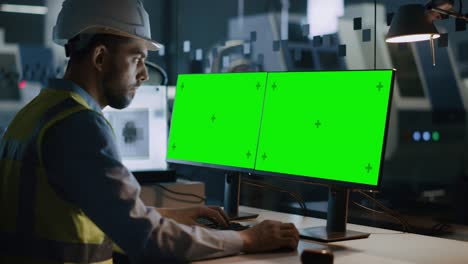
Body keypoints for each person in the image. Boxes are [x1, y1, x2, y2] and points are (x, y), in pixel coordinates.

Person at [0, 0, 299, 263]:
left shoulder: (37, 112)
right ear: (100, 57)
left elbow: (84, 210)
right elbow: (149, 241)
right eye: (137, 59)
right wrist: (248, 240)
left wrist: (170, 216)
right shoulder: (80, 125)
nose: (144, 74)